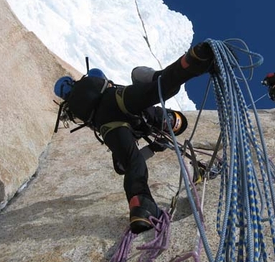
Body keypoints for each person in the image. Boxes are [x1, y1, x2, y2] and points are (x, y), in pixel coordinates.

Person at [53, 42, 214, 234]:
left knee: (130, 163)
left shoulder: (76, 103)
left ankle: (141, 206)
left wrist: (152, 148)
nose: (169, 125)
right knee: (159, 89)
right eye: (171, 122)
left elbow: (122, 165)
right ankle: (191, 62)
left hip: (106, 123)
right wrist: (154, 146)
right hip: (118, 100)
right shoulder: (152, 113)